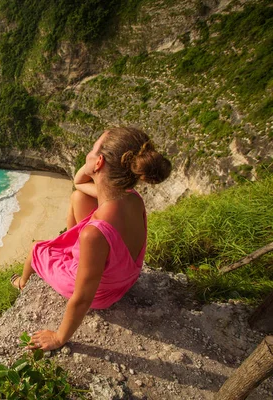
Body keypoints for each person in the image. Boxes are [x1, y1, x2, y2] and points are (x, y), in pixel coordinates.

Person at [10, 127, 172, 351]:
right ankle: (70, 249)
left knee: (36, 248)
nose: (88, 153)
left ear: (98, 163)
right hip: (126, 277)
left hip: (103, 295)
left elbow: (82, 298)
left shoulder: (94, 234)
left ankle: (21, 283)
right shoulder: (133, 198)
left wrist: (58, 338)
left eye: (93, 150)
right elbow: (78, 184)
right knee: (78, 196)